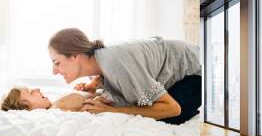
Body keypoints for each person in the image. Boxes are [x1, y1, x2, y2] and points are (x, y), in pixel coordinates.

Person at [48, 28, 202, 125]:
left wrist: (115, 111)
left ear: (74, 56)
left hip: (194, 72)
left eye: (57, 63)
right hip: (169, 65)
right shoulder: (98, 64)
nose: (54, 71)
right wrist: (94, 85)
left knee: (165, 117)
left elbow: (172, 108)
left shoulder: (115, 64)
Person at [0, 86, 111, 112]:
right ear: (26, 107)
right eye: (30, 92)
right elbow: (92, 105)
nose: (37, 89)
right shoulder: (59, 106)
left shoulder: (57, 105)